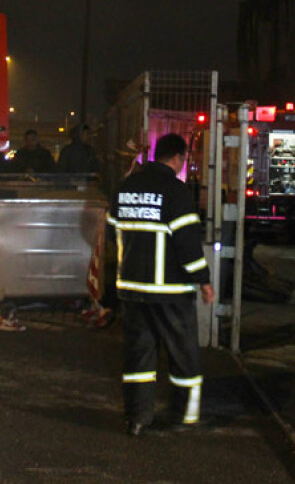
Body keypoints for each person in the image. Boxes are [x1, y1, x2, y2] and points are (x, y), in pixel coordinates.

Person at [107, 133, 215, 436]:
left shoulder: (126, 187)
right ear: (179, 158)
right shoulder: (176, 191)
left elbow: (111, 229)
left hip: (130, 290)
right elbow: (188, 244)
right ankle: (184, 417)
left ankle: (138, 419)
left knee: (138, 357)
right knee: (184, 356)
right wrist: (203, 280)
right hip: (170, 293)